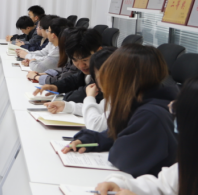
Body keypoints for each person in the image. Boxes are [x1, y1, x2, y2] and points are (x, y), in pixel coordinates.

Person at [92, 78, 198, 195]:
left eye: (177, 111)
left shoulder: (150, 113)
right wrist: (121, 185)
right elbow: (164, 187)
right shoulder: (191, 164)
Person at [62, 44, 178, 178]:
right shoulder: (138, 102)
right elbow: (119, 133)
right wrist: (92, 139)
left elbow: (123, 157)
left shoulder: (151, 114)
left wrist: (112, 141)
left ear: (126, 78)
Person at [44, 46, 117, 131]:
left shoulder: (123, 101)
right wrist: (66, 106)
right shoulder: (112, 97)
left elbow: (95, 126)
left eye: (98, 75)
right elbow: (99, 109)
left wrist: (90, 97)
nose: (97, 80)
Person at [31, 27, 102, 99]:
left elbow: (83, 94)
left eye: (85, 60)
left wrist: (66, 98)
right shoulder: (91, 68)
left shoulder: (105, 70)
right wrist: (56, 86)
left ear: (99, 51)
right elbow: (75, 79)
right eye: (75, 60)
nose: (81, 66)